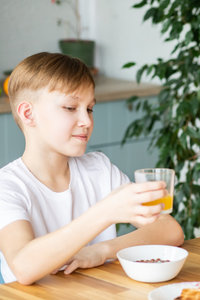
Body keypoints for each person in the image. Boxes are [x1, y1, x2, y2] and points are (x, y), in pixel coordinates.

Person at [0, 52, 184, 285]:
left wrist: (102, 250)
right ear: (28, 114)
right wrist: (104, 212)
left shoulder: (99, 168)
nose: (86, 121)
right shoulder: (8, 186)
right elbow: (23, 267)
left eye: (89, 109)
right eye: (70, 107)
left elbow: (170, 231)